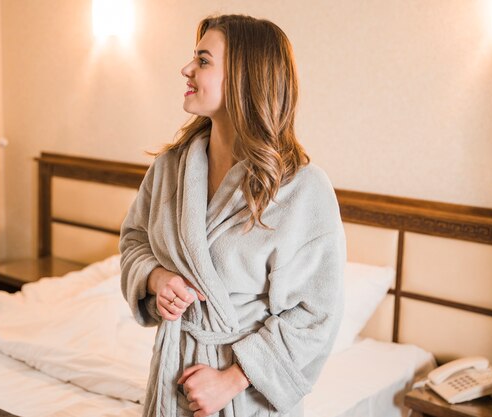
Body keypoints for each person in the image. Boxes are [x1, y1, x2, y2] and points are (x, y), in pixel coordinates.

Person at [120, 14, 345, 417]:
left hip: (249, 396)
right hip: (173, 379)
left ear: (244, 78)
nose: (186, 69)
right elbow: (135, 240)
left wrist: (232, 379)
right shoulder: (170, 168)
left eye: (203, 61)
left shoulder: (302, 190)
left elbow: (317, 313)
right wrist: (157, 279)